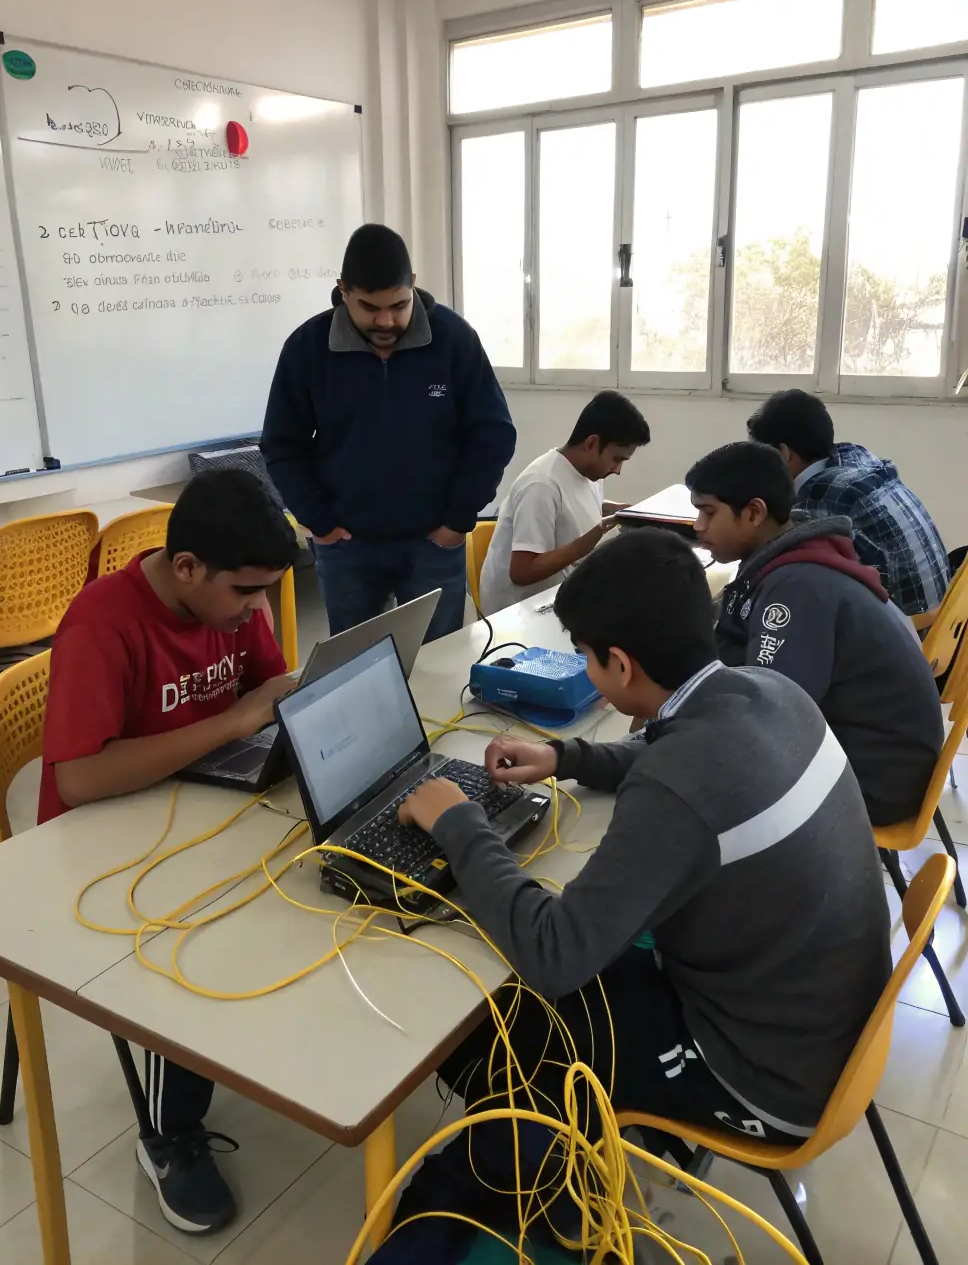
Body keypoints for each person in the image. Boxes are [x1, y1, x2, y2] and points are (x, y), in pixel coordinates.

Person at [369, 528, 891, 1264]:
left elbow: (556, 950)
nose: (586, 666)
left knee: (535, 1031)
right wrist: (566, 756)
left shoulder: (679, 787)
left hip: (763, 1078)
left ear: (620, 664)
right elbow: (670, 750)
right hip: (816, 1017)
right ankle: (546, 1155)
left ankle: (446, 1210)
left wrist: (459, 823)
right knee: (528, 1017)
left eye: (586, 655)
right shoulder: (768, 691)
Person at [40, 469, 300, 1235]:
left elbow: (265, 687)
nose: (258, 610)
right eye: (248, 594)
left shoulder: (229, 599)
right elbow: (79, 778)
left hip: (194, 808)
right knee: (185, 943)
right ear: (186, 568)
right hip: (101, 852)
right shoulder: (102, 623)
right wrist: (234, 723)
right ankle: (169, 1135)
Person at [261, 223, 516, 641]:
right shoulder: (308, 348)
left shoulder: (453, 340)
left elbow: (494, 434)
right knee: (356, 668)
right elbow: (282, 445)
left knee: (439, 663)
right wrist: (318, 521)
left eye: (399, 305)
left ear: (413, 284)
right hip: (346, 548)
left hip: (435, 542)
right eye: (369, 307)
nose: (386, 320)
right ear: (343, 291)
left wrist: (457, 520)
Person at [686, 441, 943, 828]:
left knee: (689, 779)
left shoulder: (796, 587)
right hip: (885, 756)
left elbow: (772, 711)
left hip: (878, 780)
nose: (697, 526)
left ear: (754, 512)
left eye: (708, 512)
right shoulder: (793, 555)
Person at [747, 388, 949, 616]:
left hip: (910, 633)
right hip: (943, 620)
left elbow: (784, 571)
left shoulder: (820, 496)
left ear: (784, 453)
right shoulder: (855, 458)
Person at [477, 391, 650, 615]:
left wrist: (620, 510)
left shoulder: (588, 472)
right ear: (592, 443)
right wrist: (587, 542)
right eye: (617, 459)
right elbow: (522, 572)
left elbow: (575, 503)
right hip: (519, 614)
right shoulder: (541, 484)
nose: (617, 470)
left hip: (558, 598)